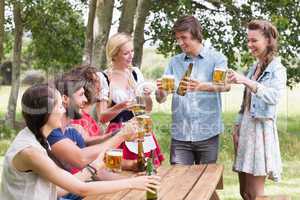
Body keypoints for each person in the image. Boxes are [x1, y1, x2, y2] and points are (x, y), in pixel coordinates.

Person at [0, 84, 160, 200]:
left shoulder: (36, 136)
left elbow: (59, 190)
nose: (64, 110)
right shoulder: (30, 152)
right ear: (47, 113)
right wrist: (133, 183)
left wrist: (96, 166)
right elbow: (81, 189)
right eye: (60, 106)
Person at [155, 15, 230, 165]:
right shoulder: (174, 62)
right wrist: (161, 91)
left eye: (184, 37)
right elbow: (161, 98)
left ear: (196, 35)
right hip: (180, 135)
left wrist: (201, 86)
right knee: (179, 181)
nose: (180, 42)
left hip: (207, 133)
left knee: (206, 183)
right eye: (178, 39)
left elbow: (225, 86)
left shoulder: (216, 58)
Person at [228, 20, 286, 200]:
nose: (249, 45)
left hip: (260, 132)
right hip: (246, 129)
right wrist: (237, 127)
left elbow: (273, 97)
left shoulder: (277, 69)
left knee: (255, 194)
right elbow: (245, 102)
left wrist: (245, 81)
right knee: (245, 193)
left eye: (254, 40)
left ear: (268, 40)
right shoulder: (255, 66)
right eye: (248, 40)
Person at [97, 32, 164, 169]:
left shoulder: (135, 73)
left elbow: (148, 109)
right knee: (121, 173)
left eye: (132, 51)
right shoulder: (103, 77)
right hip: (118, 132)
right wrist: (121, 106)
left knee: (148, 170)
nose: (131, 56)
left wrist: (146, 97)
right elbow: (102, 117)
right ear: (114, 54)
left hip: (141, 130)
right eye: (126, 53)